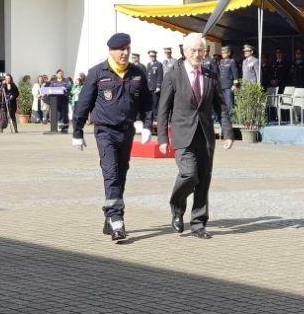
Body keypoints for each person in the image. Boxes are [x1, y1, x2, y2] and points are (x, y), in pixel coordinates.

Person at [71, 32, 153, 242]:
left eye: (128, 49)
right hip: (105, 131)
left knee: (121, 173)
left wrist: (146, 126)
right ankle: (117, 220)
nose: (125, 53)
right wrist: (78, 131)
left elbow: (147, 103)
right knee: (111, 173)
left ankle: (109, 215)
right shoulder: (98, 73)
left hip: (127, 131)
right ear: (111, 51)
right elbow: (83, 104)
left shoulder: (138, 73)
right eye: (121, 49)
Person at [153, 33, 234, 237]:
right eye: (193, 50)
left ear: (205, 52)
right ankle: (177, 208)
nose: (197, 54)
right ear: (184, 51)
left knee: (204, 180)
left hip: (205, 136)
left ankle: (198, 224)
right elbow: (163, 110)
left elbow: (221, 108)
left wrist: (228, 133)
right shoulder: (173, 76)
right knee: (189, 175)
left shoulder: (210, 75)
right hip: (182, 135)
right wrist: (162, 138)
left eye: (201, 50)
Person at [145, 49, 166, 133]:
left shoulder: (159, 64)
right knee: (150, 107)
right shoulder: (148, 64)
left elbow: (160, 76)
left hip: (155, 89)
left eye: (153, 56)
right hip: (149, 88)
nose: (152, 57)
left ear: (155, 56)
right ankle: (150, 124)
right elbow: (147, 77)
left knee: (156, 106)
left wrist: (158, 86)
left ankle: (156, 126)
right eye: (150, 56)